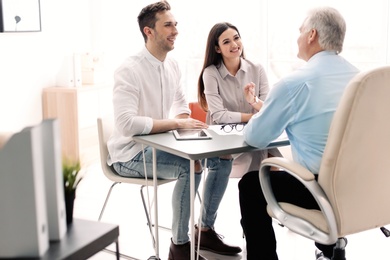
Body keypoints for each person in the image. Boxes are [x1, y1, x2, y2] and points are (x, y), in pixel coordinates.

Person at [106, 1, 241, 259]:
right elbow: (126, 123)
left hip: (160, 144)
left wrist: (186, 133)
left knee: (223, 157)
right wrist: (177, 124)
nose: (175, 30)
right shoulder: (129, 69)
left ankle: (205, 230)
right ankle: (179, 247)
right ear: (149, 31)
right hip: (129, 154)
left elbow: (181, 107)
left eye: (175, 24)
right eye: (168, 25)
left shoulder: (172, 65)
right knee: (190, 167)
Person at [238, 6, 359, 260]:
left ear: (312, 35)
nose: (298, 36)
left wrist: (258, 115)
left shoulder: (295, 83)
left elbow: (255, 138)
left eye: (301, 30)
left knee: (251, 185)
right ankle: (330, 250)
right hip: (360, 185)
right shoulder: (361, 79)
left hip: (320, 190)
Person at [198, 22, 282, 178]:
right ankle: (254, 196)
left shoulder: (257, 68)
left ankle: (266, 201)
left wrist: (253, 101)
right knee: (255, 160)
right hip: (222, 141)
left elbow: (268, 110)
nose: (234, 44)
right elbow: (219, 116)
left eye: (236, 38)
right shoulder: (211, 73)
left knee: (274, 159)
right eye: (226, 42)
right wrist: (252, 117)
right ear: (217, 49)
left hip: (253, 135)